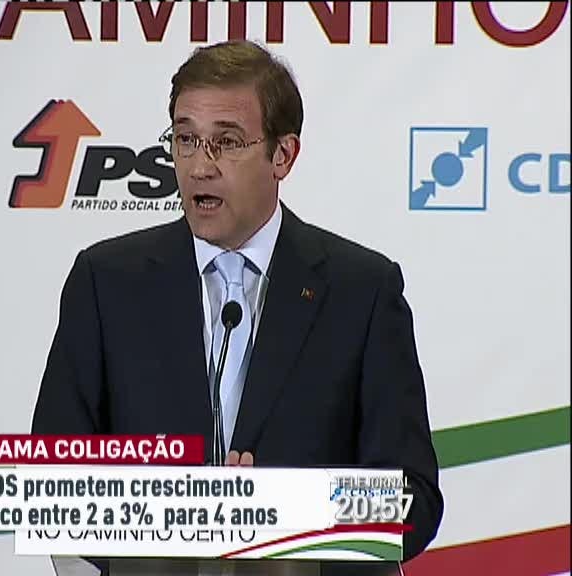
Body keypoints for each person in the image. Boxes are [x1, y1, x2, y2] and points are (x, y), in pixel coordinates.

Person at [32, 40, 443, 576]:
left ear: (283, 155)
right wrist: (174, 515)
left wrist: (285, 513)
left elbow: (412, 500)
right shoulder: (106, 283)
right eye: (185, 140)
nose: (200, 167)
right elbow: (52, 482)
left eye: (226, 142)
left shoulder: (361, 291)